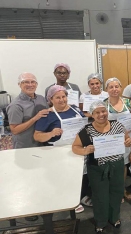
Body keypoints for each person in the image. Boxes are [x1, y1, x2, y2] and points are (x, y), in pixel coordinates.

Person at [72, 101, 131, 234]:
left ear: (107, 111)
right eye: (97, 112)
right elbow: (75, 147)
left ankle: (115, 217)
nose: (101, 114)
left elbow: (128, 140)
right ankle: (101, 222)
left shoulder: (117, 125)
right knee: (100, 196)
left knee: (116, 193)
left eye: (103, 111)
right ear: (92, 114)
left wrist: (129, 142)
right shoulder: (87, 130)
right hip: (97, 168)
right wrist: (85, 150)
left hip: (116, 166)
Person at [34, 85, 86, 212]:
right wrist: (51, 134)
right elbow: (37, 136)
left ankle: (81, 197)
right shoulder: (47, 115)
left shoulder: (75, 109)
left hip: (78, 148)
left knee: (81, 176)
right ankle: (69, 202)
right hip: (59, 152)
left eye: (64, 96)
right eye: (57, 97)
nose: (62, 100)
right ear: (50, 99)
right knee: (65, 178)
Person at [6, 72, 49, 222]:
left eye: (33, 82)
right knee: (28, 179)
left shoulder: (42, 99)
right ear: (19, 85)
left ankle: (43, 206)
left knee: (41, 177)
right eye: (26, 82)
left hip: (42, 145)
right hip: (26, 147)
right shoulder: (15, 105)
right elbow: (15, 129)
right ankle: (30, 210)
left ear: (36, 84)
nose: (30, 85)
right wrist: (35, 118)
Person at [104, 77, 131, 202]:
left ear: (121, 88)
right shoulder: (103, 104)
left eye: (117, 86)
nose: (114, 89)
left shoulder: (127, 102)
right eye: (111, 87)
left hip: (126, 138)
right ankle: (112, 190)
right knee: (111, 165)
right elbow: (99, 123)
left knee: (123, 164)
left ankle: (122, 189)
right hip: (110, 140)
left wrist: (128, 135)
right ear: (106, 89)